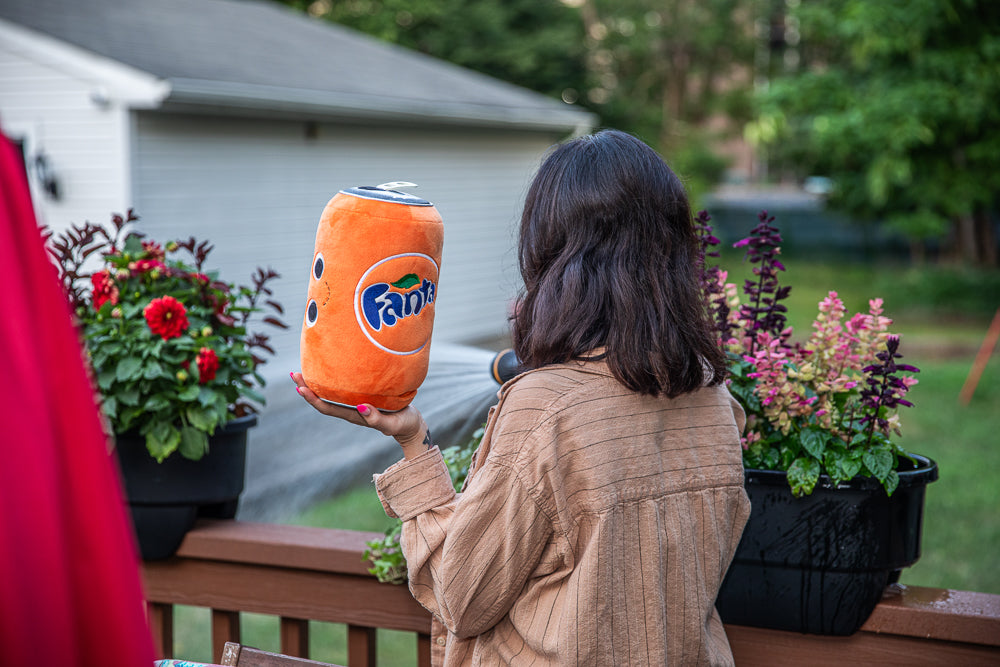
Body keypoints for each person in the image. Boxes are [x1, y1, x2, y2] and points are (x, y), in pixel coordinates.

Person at [292, 129, 750, 666]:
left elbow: (462, 598)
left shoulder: (546, 410)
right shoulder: (714, 400)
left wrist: (415, 444)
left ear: (556, 254)